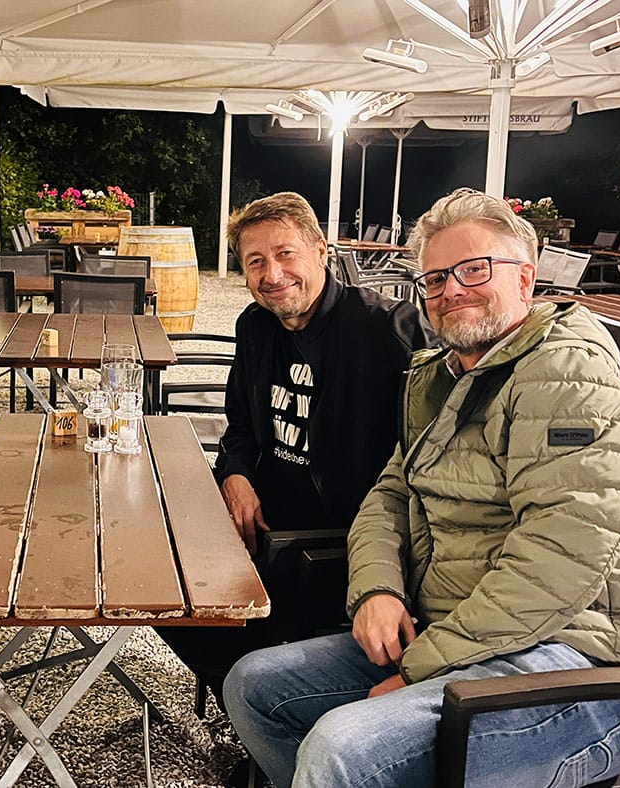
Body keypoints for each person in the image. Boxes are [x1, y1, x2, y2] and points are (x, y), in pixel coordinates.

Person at [223, 188, 620, 787]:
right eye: (436, 278)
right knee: (254, 686)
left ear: (526, 277)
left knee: (341, 749)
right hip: (458, 636)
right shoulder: (440, 375)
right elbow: (388, 497)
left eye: (474, 270)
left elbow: (555, 569)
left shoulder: (570, 379)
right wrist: (376, 591)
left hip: (584, 666)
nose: (452, 290)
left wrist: (417, 670)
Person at [158, 191, 432, 704]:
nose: (272, 274)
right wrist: (235, 474)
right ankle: (246, 694)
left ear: (321, 252)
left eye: (286, 254)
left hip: (336, 538)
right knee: (160, 571)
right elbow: (238, 422)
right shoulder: (256, 326)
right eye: (255, 261)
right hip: (265, 512)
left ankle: (264, 699)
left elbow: (432, 457)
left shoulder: (389, 330)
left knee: (207, 603)